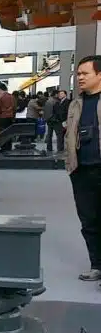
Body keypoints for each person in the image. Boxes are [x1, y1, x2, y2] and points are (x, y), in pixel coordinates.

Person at [64, 55, 101, 282]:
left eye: (85, 73)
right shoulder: (76, 104)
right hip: (82, 171)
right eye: (78, 74)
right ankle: (97, 265)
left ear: (99, 75)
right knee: (89, 221)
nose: (79, 78)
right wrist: (70, 166)